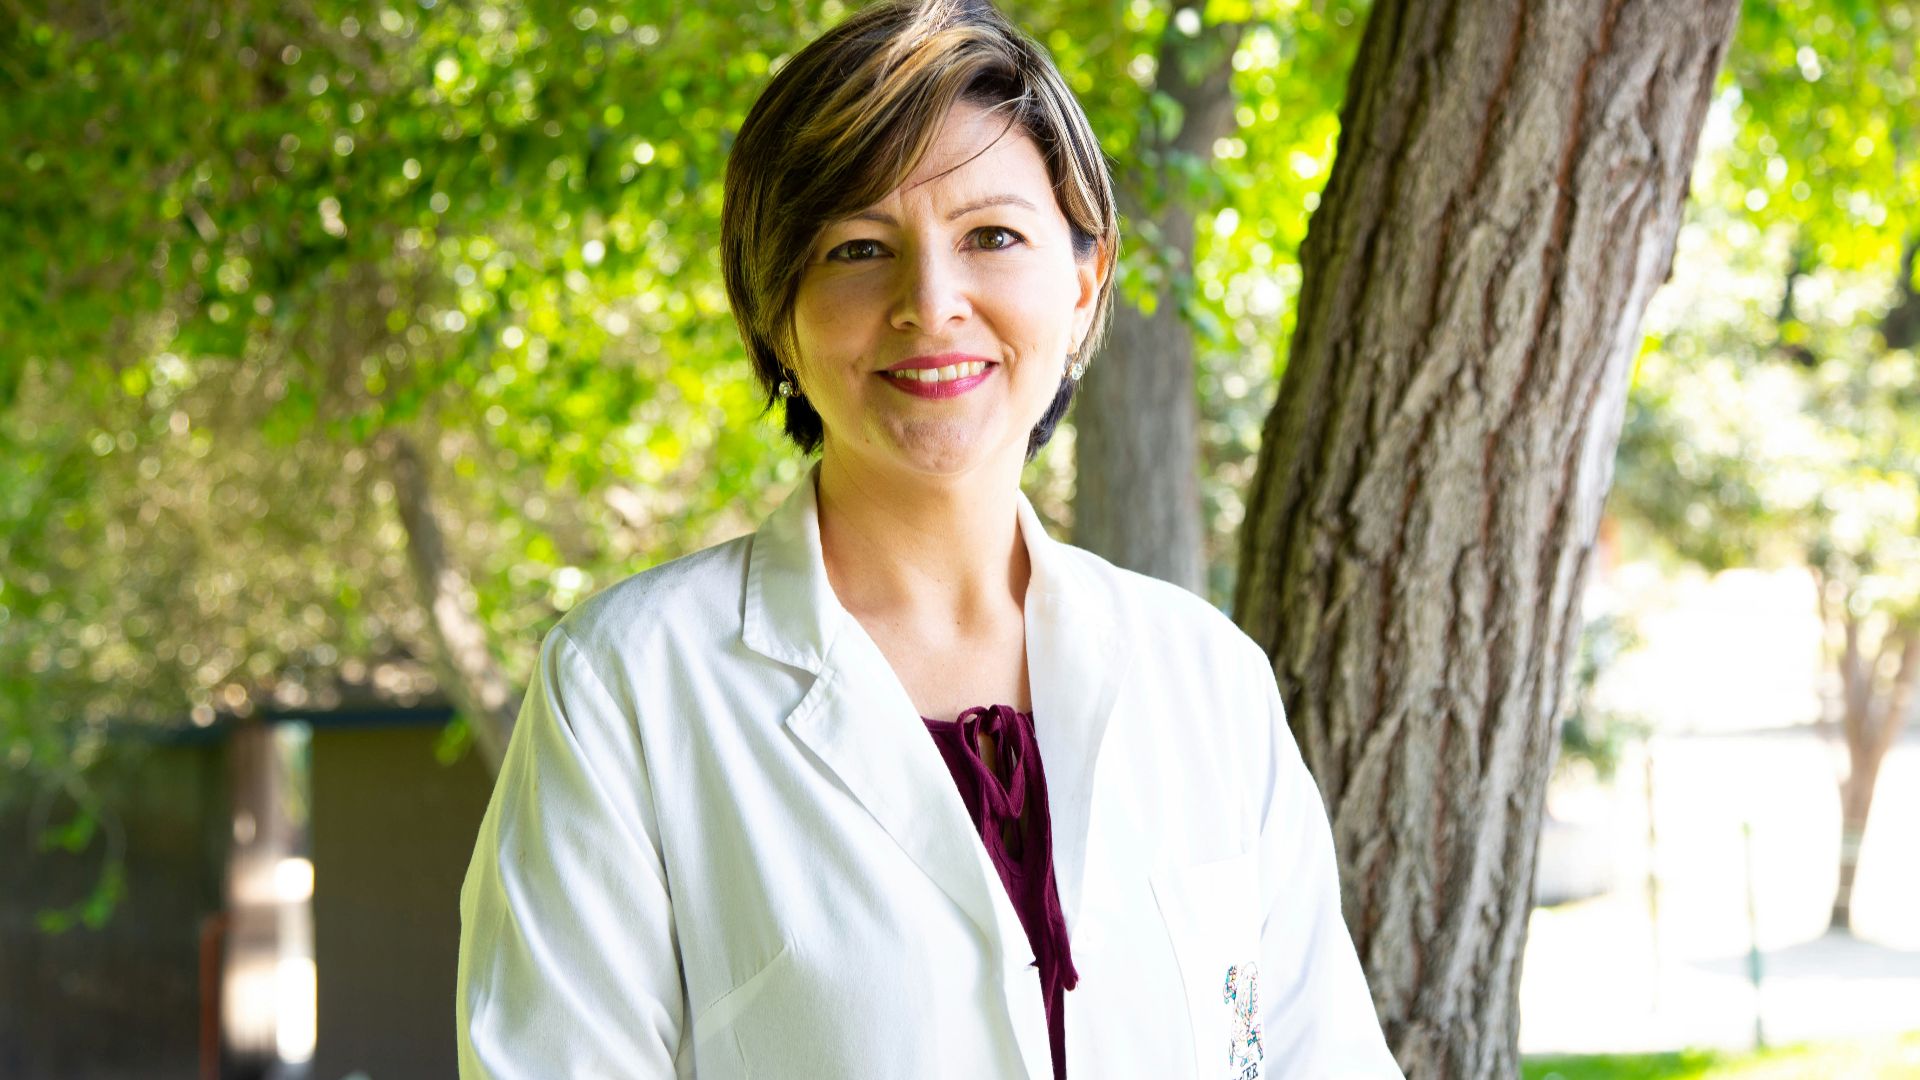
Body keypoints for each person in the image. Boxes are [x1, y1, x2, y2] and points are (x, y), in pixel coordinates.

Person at [455, 1, 1402, 1077]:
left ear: (1085, 284)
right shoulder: (628, 687)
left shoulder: (1207, 680)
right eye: (858, 248)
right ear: (778, 314)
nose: (931, 302)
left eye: (991, 236)